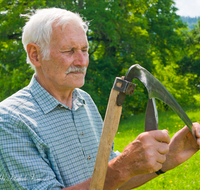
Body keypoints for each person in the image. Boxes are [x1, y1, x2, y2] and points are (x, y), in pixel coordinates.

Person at [0, 7, 199, 190]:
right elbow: (115, 173)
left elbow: (111, 181)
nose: (82, 61)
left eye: (85, 50)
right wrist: (122, 167)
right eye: (69, 51)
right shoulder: (10, 121)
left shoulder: (84, 101)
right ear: (35, 55)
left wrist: (170, 156)